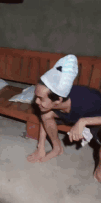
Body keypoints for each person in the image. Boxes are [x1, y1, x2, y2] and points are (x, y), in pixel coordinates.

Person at [27, 54, 101, 182]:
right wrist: (41, 147)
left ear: (58, 100)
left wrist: (83, 122)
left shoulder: (89, 100)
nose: (36, 101)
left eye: (41, 98)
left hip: (96, 117)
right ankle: (57, 148)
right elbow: (44, 116)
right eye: (36, 96)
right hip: (75, 115)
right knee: (46, 113)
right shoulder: (55, 101)